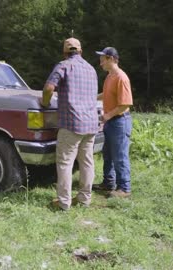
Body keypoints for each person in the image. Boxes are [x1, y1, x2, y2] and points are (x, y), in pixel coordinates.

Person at [41, 37, 99, 210]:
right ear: (80, 51)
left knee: (65, 163)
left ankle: (64, 203)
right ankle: (84, 199)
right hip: (90, 123)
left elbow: (49, 89)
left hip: (72, 123)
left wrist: (45, 103)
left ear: (65, 52)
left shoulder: (63, 65)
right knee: (87, 162)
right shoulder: (91, 69)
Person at [93, 47, 133, 198]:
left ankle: (124, 189)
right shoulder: (110, 76)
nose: (100, 62)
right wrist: (93, 97)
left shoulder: (121, 78)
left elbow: (125, 104)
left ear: (110, 59)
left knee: (120, 156)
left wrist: (108, 115)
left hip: (119, 122)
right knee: (108, 154)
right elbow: (107, 94)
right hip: (111, 122)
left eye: (102, 58)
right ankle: (108, 183)